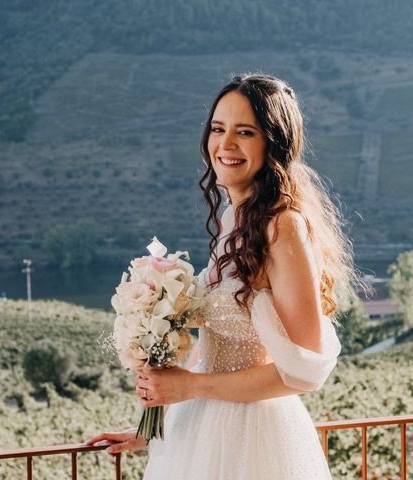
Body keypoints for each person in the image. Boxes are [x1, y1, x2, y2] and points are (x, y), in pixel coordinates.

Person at [87, 74, 358, 479]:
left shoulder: (282, 227)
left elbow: (304, 371)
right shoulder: (236, 220)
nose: (225, 144)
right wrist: (153, 428)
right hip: (202, 431)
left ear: (274, 144)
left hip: (256, 443)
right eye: (218, 129)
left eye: (244, 132)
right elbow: (215, 348)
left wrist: (190, 387)